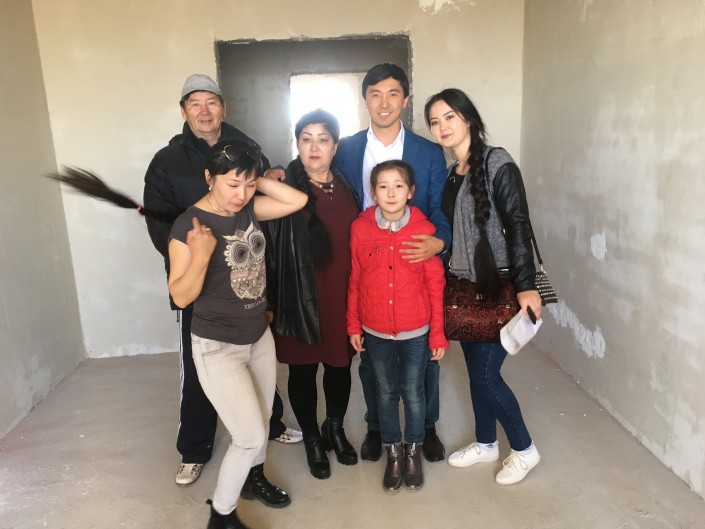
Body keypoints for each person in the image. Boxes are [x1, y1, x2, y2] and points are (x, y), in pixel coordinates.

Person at [143, 74, 301, 489]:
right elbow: (161, 224)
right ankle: (195, 451)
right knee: (202, 372)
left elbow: (261, 198)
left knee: (255, 359)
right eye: (194, 103)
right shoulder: (167, 160)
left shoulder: (246, 145)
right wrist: (195, 260)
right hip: (200, 280)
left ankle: (266, 428)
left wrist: (263, 175)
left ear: (222, 107)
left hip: (245, 275)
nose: (204, 111)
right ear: (183, 111)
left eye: (211, 102)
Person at [168, 139, 308, 528]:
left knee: (261, 420)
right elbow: (180, 296)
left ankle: (253, 479)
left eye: (247, 185)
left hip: (258, 336)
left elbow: (296, 200)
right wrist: (200, 256)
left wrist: (252, 178)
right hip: (217, 346)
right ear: (208, 177)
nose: (240, 195)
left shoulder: (246, 207)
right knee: (248, 437)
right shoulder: (188, 225)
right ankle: (221, 517)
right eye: (232, 184)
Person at [424, 88, 542, 485]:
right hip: (463, 287)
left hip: (500, 285)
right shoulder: (451, 172)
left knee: (487, 376)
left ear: (468, 118)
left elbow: (518, 223)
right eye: (434, 121)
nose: (442, 127)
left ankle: (524, 449)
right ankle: (486, 442)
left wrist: (526, 285)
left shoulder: (497, 162)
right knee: (476, 372)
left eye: (449, 117)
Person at [334, 63, 450, 463]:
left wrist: (439, 242)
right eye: (375, 94)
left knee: (425, 362)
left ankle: (426, 427)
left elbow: (440, 208)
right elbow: (317, 175)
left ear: (405, 99)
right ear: (365, 99)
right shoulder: (346, 149)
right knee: (372, 361)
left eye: (393, 94)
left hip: (414, 265)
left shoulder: (428, 152)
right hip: (368, 265)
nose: (384, 103)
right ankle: (377, 427)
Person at [262, 109, 360, 479]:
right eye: (306, 139)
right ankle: (313, 439)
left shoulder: (347, 184)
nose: (314, 147)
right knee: (302, 372)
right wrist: (271, 303)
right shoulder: (286, 188)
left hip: (342, 295)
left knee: (340, 366)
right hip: (299, 296)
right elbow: (269, 249)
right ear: (297, 145)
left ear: (335, 146)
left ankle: (334, 427)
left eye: (323, 139)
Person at [347, 160, 448, 493]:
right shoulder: (360, 229)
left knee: (414, 393)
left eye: (399, 186)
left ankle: (413, 450)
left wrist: (437, 333)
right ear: (373, 191)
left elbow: (435, 285)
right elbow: (355, 279)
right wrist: (354, 324)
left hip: (415, 331)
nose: (391, 193)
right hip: (375, 330)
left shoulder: (424, 230)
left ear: (411, 191)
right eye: (383, 186)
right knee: (386, 392)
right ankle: (393, 451)